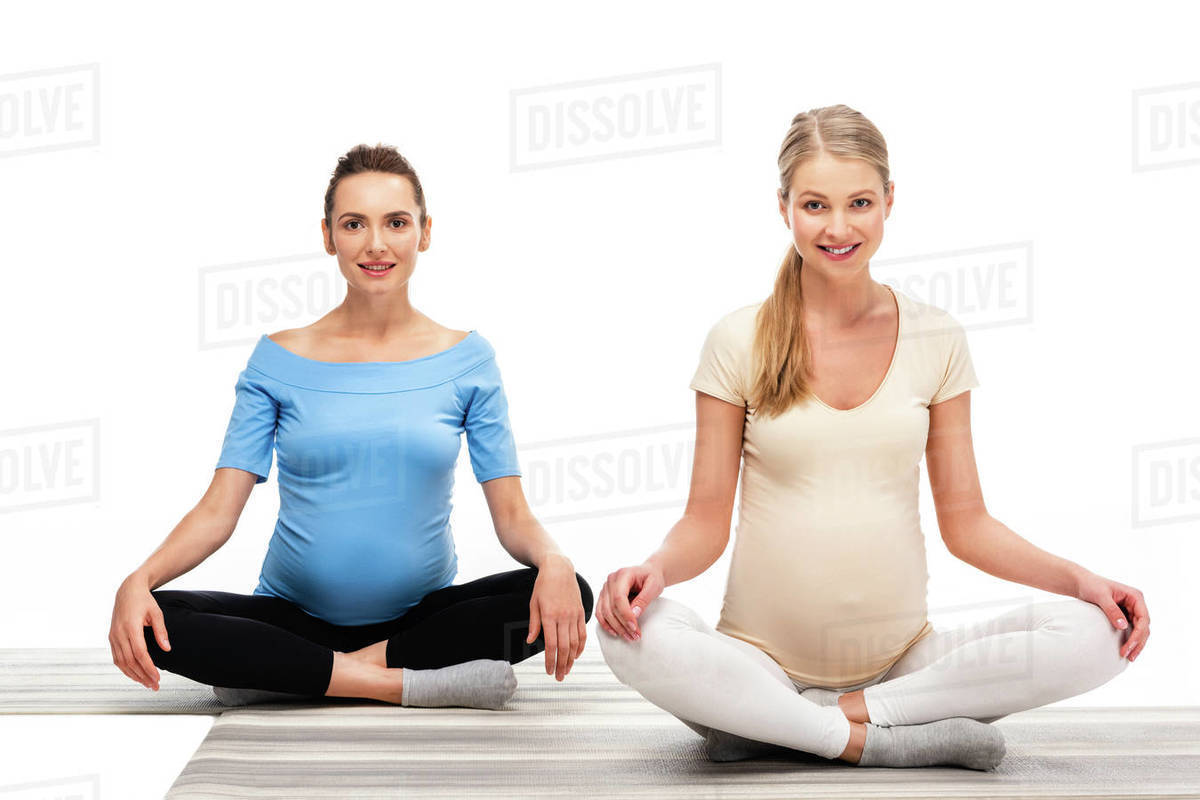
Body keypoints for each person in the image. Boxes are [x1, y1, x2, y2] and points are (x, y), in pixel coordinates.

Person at [597, 105, 1148, 770]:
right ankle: (866, 742)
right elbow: (704, 523)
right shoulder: (736, 341)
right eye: (814, 205)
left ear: (890, 200)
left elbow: (967, 523)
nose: (837, 227)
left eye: (859, 202)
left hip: (905, 668)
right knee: (628, 636)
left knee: (1096, 632)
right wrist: (654, 570)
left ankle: (804, 728)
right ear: (783, 208)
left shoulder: (934, 337)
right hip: (757, 664)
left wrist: (1082, 579)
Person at [108, 144, 593, 710]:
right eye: (354, 224)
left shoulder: (469, 361)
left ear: (425, 232)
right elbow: (219, 511)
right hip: (293, 620)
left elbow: (512, 515)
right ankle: (400, 685)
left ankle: (291, 676)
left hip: (420, 624)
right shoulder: (276, 360)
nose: (376, 244)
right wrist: (137, 579)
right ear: (328, 235)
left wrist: (555, 561)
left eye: (396, 222)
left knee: (570, 590)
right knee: (152, 619)